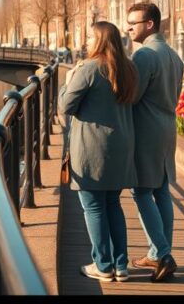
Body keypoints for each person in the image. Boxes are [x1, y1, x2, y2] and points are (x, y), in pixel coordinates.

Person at [59, 21, 139, 283]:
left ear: (100, 41)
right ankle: (121, 265)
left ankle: (102, 265)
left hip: (92, 147)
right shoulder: (128, 69)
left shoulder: (89, 69)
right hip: (121, 146)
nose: (86, 43)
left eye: (90, 38)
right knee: (113, 204)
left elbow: (66, 106)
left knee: (93, 207)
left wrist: (68, 80)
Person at [125, 2, 184, 282]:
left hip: (146, 130)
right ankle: (158, 251)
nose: (128, 28)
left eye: (133, 23)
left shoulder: (145, 55)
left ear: (149, 25)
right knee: (161, 191)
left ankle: (162, 254)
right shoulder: (174, 56)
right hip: (168, 129)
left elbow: (132, 97)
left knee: (140, 192)